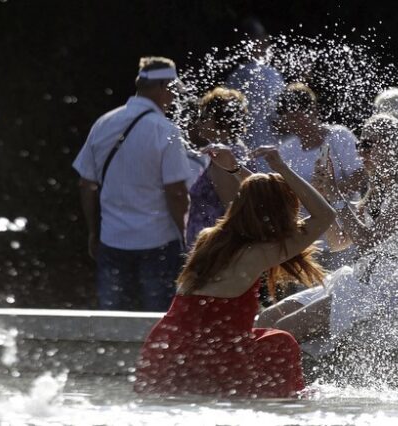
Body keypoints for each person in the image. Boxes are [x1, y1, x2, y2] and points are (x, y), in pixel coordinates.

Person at [134, 145, 336, 398]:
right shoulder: (262, 252)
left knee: (265, 336)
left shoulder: (208, 240)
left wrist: (237, 170)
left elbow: (258, 200)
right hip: (211, 356)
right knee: (280, 342)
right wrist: (282, 168)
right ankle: (288, 406)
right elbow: (325, 214)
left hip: (165, 348)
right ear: (280, 214)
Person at [257, 114, 398, 354]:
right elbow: (339, 243)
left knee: (284, 330)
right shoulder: (377, 191)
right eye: (358, 145)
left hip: (389, 289)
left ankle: (275, 385)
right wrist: (328, 197)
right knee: (266, 320)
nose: (359, 153)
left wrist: (338, 198)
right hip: (359, 281)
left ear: (391, 145)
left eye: (367, 145)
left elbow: (367, 242)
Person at [72, 56, 191, 311]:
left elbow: (86, 184)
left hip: (112, 239)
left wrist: (94, 231)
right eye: (173, 92)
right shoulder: (165, 130)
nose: (174, 100)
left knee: (114, 322)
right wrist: (184, 235)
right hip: (158, 241)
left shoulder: (104, 122)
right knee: (157, 322)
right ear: (163, 88)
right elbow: (177, 192)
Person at [274, 82, 365, 269]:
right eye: (289, 117)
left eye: (298, 114)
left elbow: (360, 175)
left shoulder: (339, 136)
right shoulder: (286, 150)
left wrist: (328, 192)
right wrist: (314, 195)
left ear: (313, 110)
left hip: (344, 231)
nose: (295, 121)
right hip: (308, 238)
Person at [186, 86, 254, 247]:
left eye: (204, 116)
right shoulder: (233, 150)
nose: (199, 122)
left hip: (216, 252)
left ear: (220, 120)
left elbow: (232, 213)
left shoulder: (224, 158)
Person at [227, 17, 285, 170]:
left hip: (241, 158)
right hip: (268, 157)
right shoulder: (269, 74)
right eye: (263, 38)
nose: (268, 42)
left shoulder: (233, 78)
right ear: (255, 43)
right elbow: (279, 118)